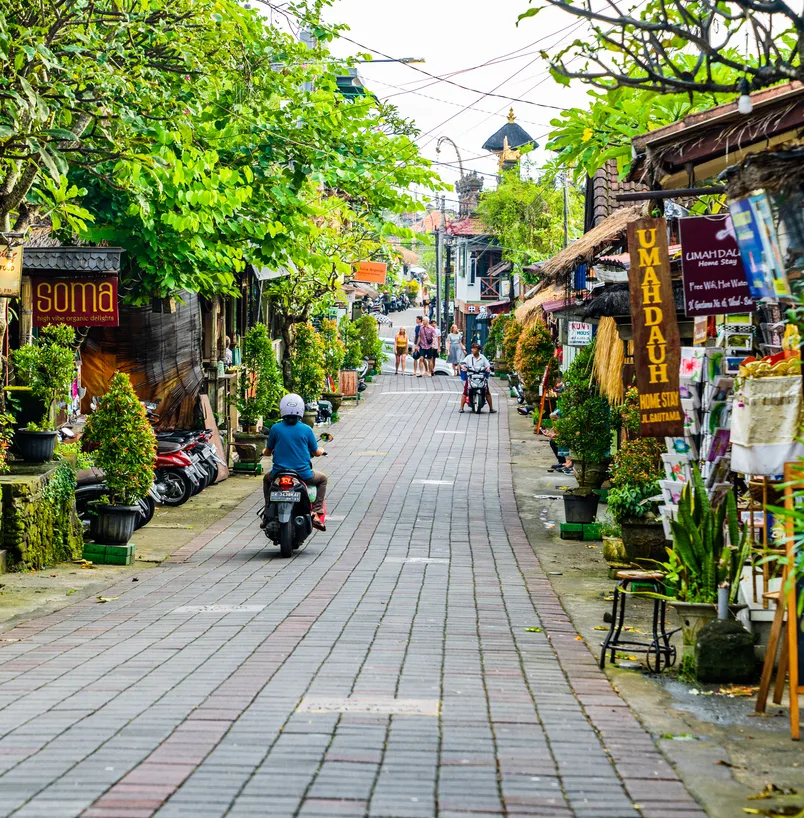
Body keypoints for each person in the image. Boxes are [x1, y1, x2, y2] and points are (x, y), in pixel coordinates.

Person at [263, 394, 328, 530]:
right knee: (322, 479)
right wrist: (321, 450)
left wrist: (264, 452)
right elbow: (315, 452)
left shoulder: (275, 428)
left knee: (266, 479)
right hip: (303, 475)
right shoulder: (306, 429)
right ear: (301, 410)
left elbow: (268, 451)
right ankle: (316, 512)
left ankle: (267, 511)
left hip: (278, 474)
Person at [459, 342, 495, 413]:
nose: (473, 350)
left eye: (475, 348)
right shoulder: (469, 357)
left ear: (478, 350)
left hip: (481, 376)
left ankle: (491, 408)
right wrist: (463, 367)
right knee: (466, 391)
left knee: (487, 391)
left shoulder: (483, 357)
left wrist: (488, 368)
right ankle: (461, 407)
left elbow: (487, 365)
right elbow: (462, 364)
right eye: (472, 348)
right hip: (471, 376)